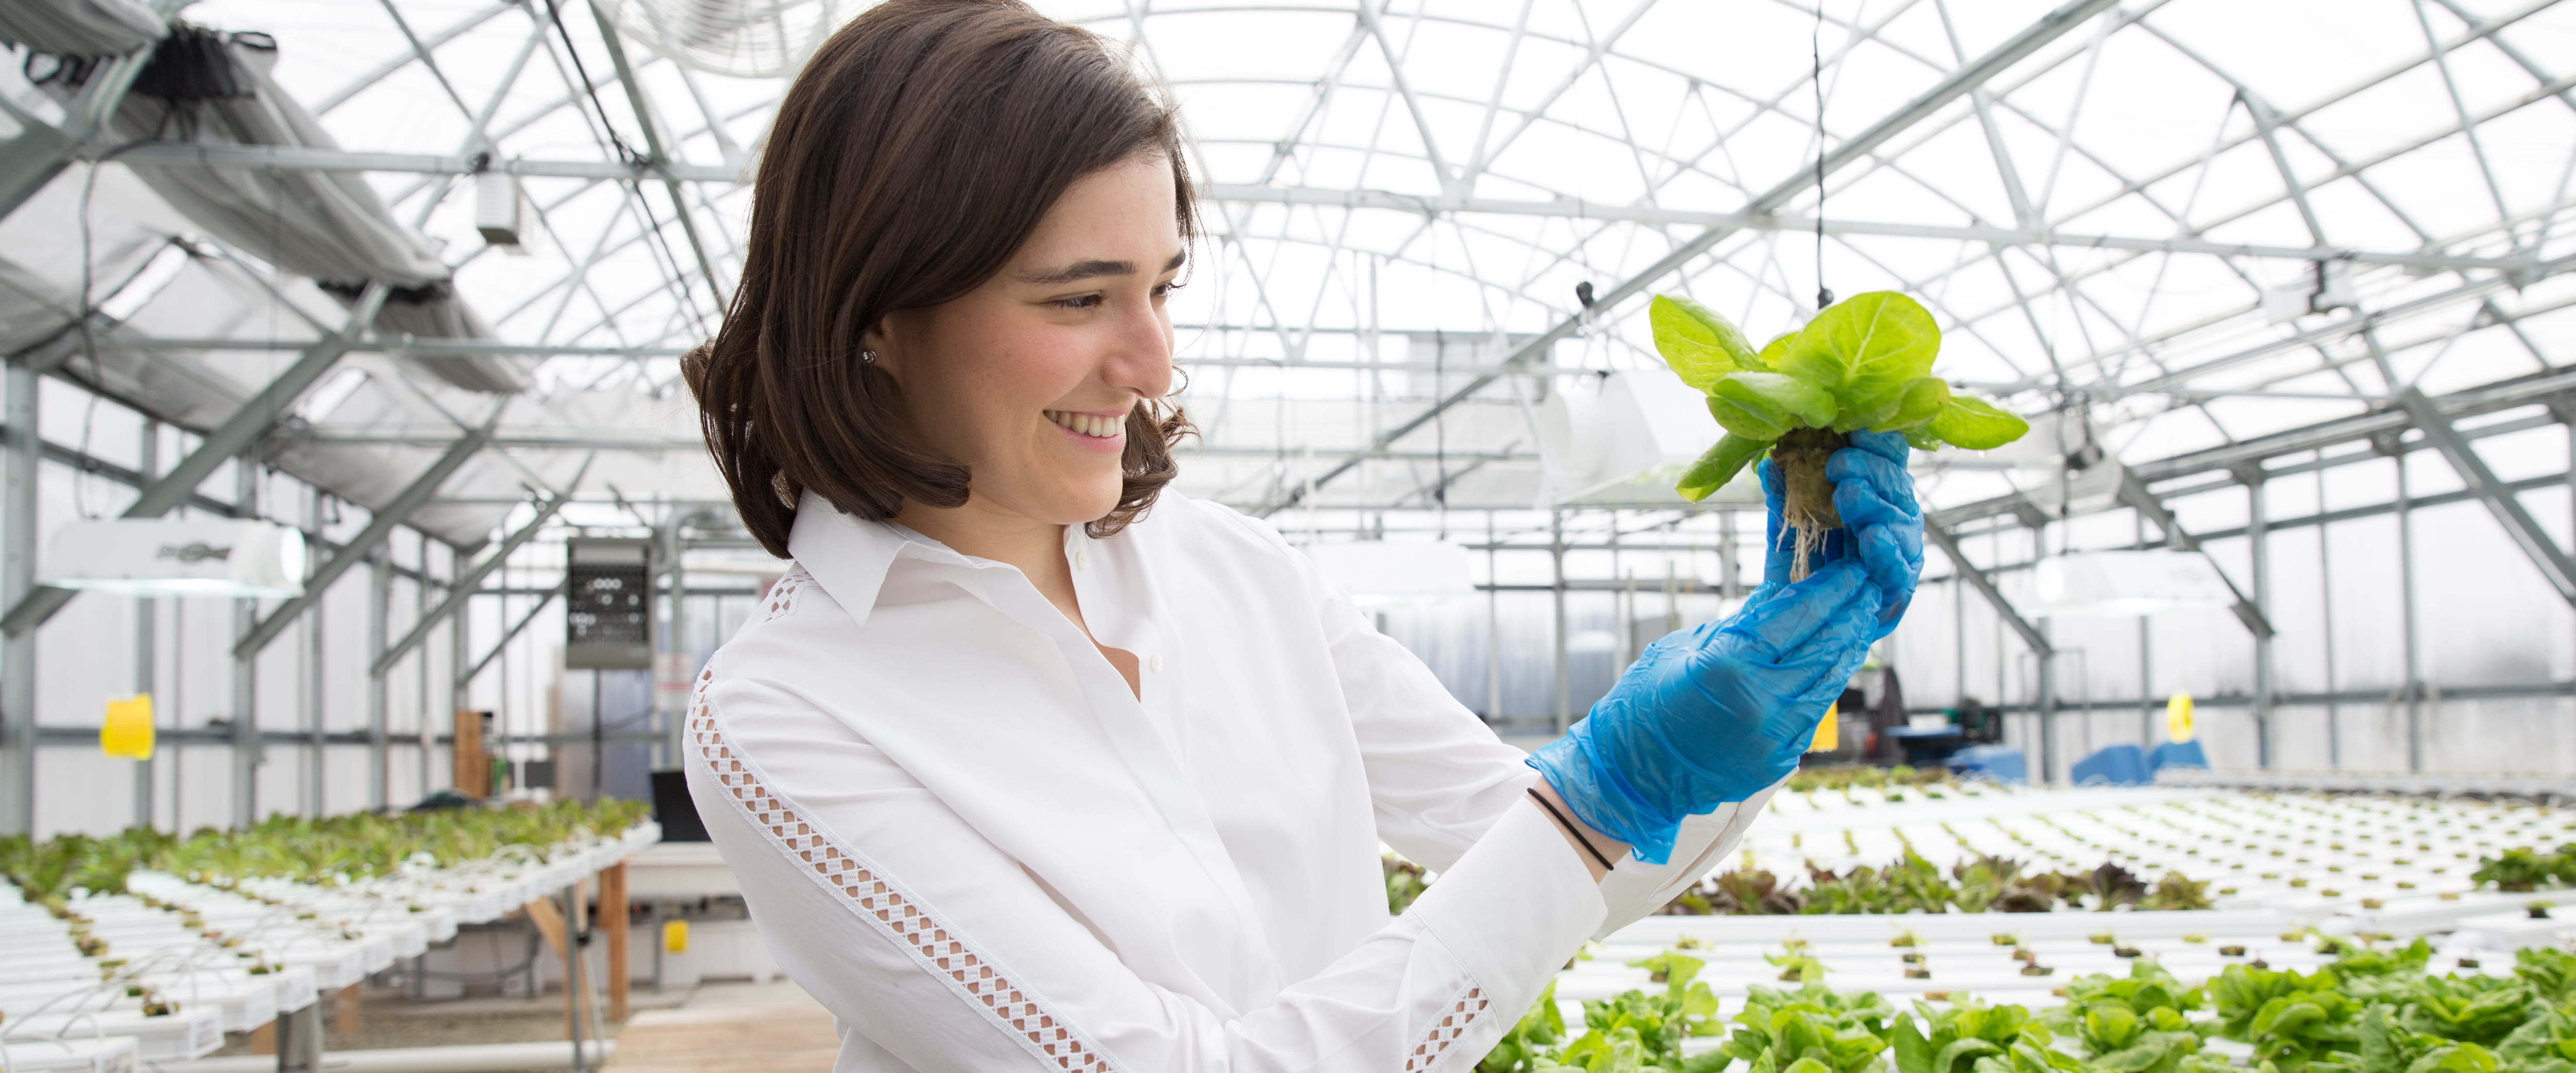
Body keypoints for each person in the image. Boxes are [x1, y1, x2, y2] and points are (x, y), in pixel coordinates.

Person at [679, 2, 1925, 1069]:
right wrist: (1604, 799)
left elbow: (1552, 856)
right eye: (1078, 297)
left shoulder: (1229, 570)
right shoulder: (787, 714)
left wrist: (1763, 689)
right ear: (874, 313)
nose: (1152, 359)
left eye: (1161, 286)